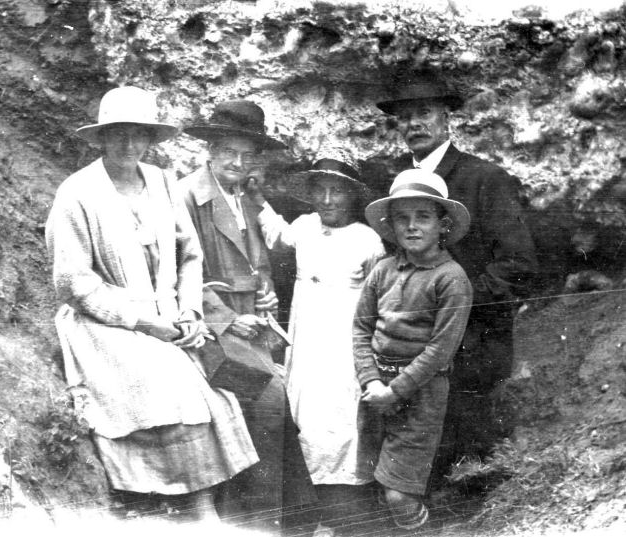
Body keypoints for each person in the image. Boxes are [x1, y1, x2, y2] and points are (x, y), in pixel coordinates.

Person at [45, 86, 258, 525]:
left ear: (150, 139)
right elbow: (75, 285)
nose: (128, 146)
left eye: (138, 135)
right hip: (108, 322)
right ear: (101, 138)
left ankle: (208, 508)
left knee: (224, 389)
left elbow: (190, 256)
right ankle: (187, 509)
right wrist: (143, 322)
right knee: (170, 386)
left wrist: (188, 312)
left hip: (170, 315)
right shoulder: (77, 194)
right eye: (118, 135)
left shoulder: (161, 181)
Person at [372, 73, 538, 473]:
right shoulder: (395, 185)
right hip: (414, 344)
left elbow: (518, 265)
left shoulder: (484, 178)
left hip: (474, 343)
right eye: (405, 116)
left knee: (468, 460)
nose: (414, 124)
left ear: (447, 119)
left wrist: (453, 305)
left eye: (424, 112)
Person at [180, 100, 315, 532]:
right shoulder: (186, 197)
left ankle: (283, 524)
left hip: (251, 327)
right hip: (208, 325)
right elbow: (175, 272)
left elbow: (261, 265)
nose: (237, 162)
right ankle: (256, 525)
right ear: (210, 151)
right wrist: (224, 319)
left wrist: (267, 295)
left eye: (247, 155)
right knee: (267, 403)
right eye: (228, 153)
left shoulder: (247, 200)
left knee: (274, 409)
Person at [247, 146, 387, 534]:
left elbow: (378, 298)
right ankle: (304, 497)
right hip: (306, 334)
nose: (327, 200)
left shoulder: (369, 240)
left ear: (352, 195)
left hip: (343, 339)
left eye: (337, 191)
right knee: (302, 405)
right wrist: (258, 198)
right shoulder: (305, 226)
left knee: (340, 410)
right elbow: (276, 236)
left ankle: (345, 500)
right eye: (320, 190)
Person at [353, 169, 473, 530]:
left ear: (443, 225)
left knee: (399, 493)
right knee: (376, 479)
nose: (412, 226)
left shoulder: (451, 278)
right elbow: (361, 327)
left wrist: (396, 390)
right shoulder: (383, 270)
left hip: (420, 394)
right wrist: (371, 382)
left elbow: (440, 350)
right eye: (402, 218)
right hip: (376, 391)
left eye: (423, 216)